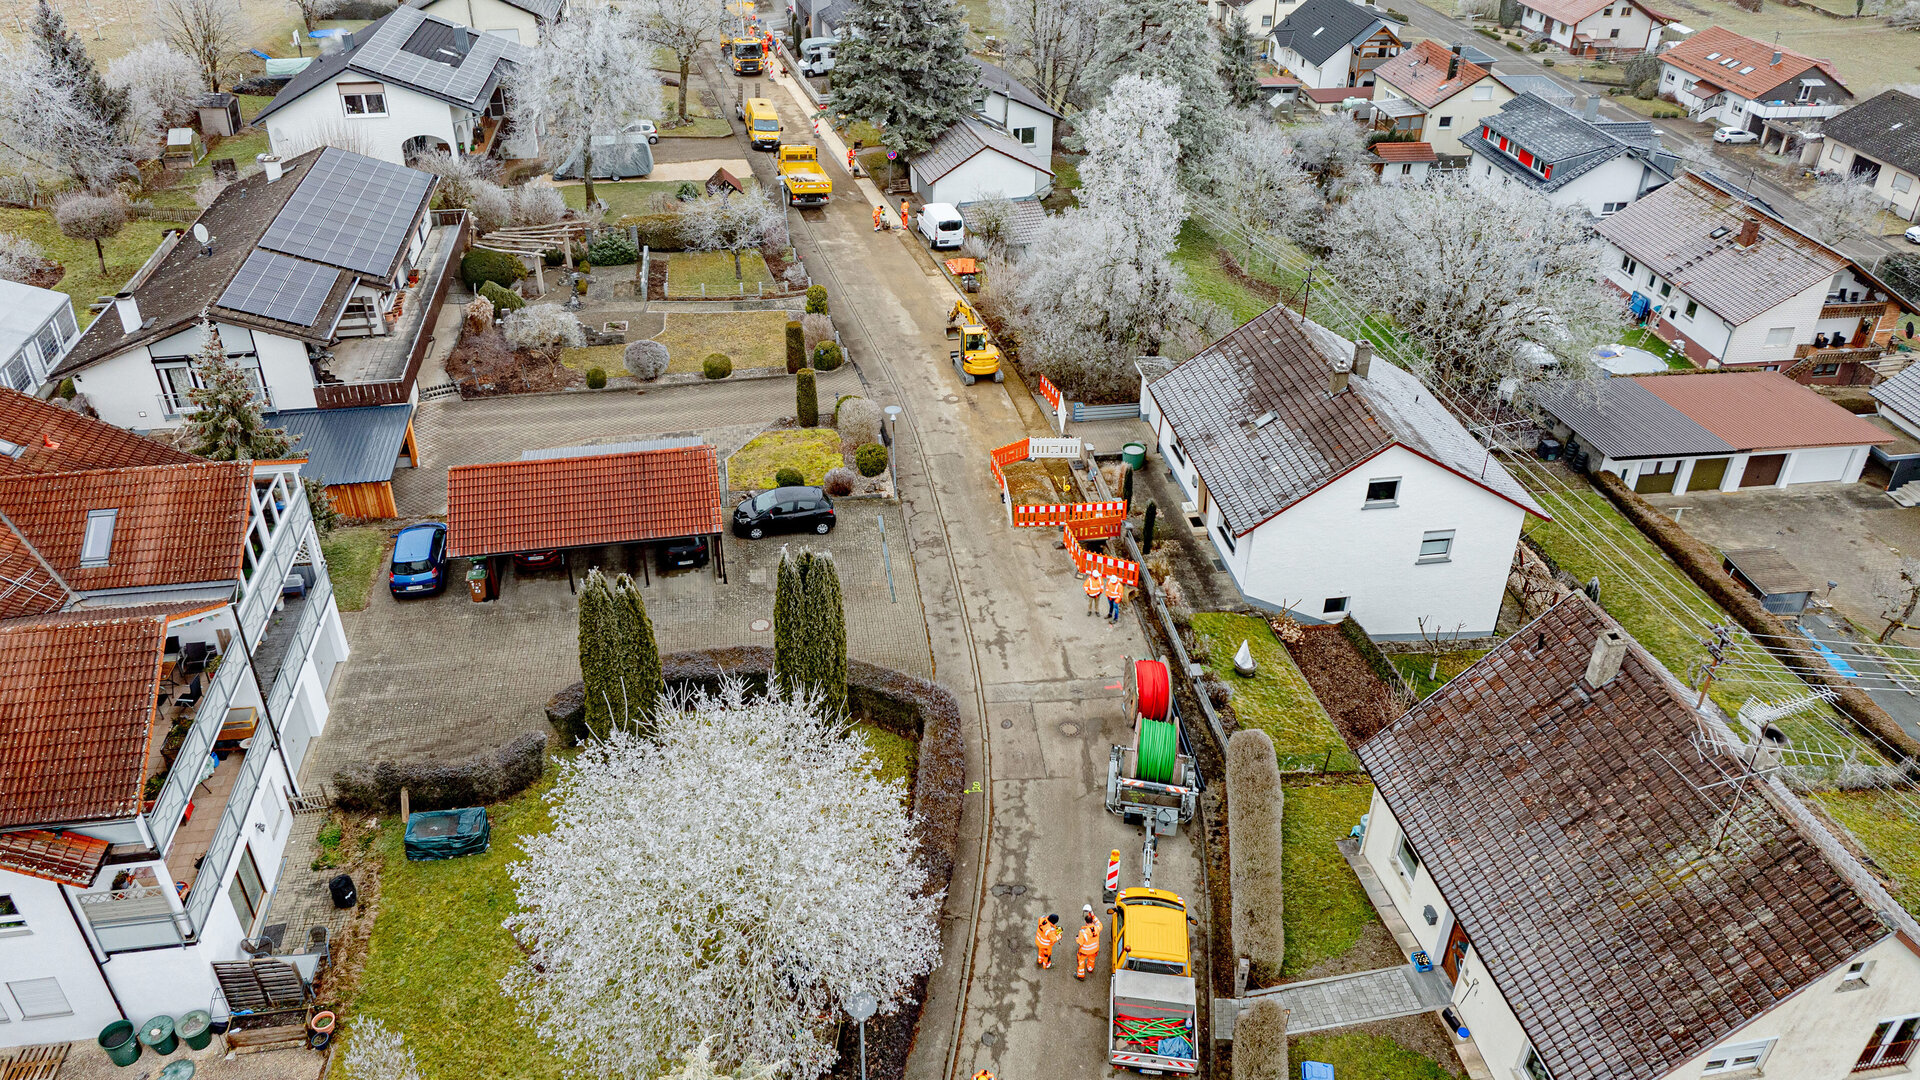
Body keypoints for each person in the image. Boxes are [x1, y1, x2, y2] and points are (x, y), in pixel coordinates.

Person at [1075, 905, 1101, 979]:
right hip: (1094, 949)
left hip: (1084, 951)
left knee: (1081, 961)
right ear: (1092, 921)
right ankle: (1090, 968)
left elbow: (1080, 942)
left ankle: (1080, 975)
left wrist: (1076, 938)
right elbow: (1098, 923)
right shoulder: (1097, 928)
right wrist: (1092, 914)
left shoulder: (1083, 932)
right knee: (1092, 959)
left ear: (1086, 922)